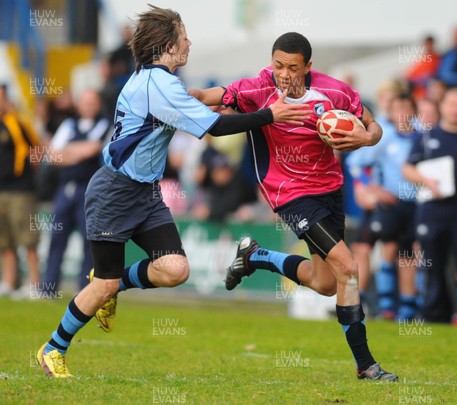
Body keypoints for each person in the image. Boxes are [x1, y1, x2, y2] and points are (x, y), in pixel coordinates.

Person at [36, 5, 310, 378]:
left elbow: (203, 109)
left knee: (175, 269)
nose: (189, 41)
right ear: (168, 45)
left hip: (145, 193)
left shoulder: (159, 81)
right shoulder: (158, 84)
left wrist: (244, 98)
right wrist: (270, 115)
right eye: (184, 35)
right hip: (115, 192)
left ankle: (112, 287)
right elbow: (214, 127)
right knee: (103, 283)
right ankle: (53, 348)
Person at [190, 32, 398, 381]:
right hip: (290, 194)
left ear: (308, 67)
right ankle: (367, 365)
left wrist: (366, 136)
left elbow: (373, 124)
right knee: (348, 267)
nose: (283, 74)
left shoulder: (335, 92)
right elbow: (201, 95)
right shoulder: (255, 89)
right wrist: (169, 95)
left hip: (330, 190)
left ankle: (256, 257)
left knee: (326, 283)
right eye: (278, 65)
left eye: (292, 67)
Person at [403, 86, 457, 325]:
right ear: (442, 106)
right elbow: (408, 168)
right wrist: (426, 180)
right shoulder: (428, 138)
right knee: (433, 266)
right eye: (451, 104)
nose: (456, 110)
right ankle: (436, 316)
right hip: (432, 212)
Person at [349, 94, 419, 321]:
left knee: (406, 254)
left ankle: (406, 308)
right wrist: (369, 189)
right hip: (386, 204)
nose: (402, 114)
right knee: (370, 247)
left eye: (406, 108)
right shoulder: (384, 135)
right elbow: (356, 164)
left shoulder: (422, 136)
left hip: (415, 204)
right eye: (397, 108)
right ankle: (374, 305)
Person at [43, 89, 110, 295]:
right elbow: (52, 155)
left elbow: (94, 148)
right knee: (57, 238)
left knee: (88, 241)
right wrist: (77, 152)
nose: (89, 106)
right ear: (79, 105)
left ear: (97, 105)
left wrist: (68, 151)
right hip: (66, 188)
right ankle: (49, 287)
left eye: (93, 102)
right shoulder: (69, 124)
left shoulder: (105, 124)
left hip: (89, 190)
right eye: (85, 102)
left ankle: (84, 289)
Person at [0, 90, 42, 298]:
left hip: (20, 191)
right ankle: (8, 282)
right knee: (4, 240)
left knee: (27, 238)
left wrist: (27, 170)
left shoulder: (17, 122)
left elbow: (38, 147)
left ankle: (34, 284)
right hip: (1, 190)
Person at [405, 36, 441, 101]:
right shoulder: (421, 58)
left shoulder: (437, 59)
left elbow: (431, 76)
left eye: (430, 44)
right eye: (426, 45)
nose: (428, 47)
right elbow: (409, 74)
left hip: (426, 94)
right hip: (415, 93)